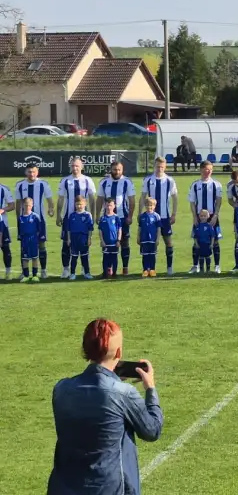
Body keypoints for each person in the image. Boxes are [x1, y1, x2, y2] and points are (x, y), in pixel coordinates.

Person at [47, 319, 161, 495]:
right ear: (118, 352)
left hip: (63, 488)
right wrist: (150, 388)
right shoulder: (123, 393)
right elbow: (152, 430)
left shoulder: (61, 388)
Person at [57, 158, 96, 279]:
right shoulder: (65, 180)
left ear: (81, 167)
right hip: (69, 217)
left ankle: (85, 269)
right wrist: (59, 214)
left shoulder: (87, 180)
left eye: (77, 166)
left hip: (83, 218)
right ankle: (66, 269)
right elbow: (61, 199)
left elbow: (92, 199)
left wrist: (93, 215)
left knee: (84, 244)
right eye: (73, 166)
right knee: (66, 243)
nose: (75, 168)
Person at [14, 164, 54, 279]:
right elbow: (18, 203)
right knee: (24, 245)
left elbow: (50, 200)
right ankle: (24, 272)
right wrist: (18, 218)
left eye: (33, 172)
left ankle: (43, 270)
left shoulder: (43, 184)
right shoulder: (20, 185)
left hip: (39, 220)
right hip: (24, 221)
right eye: (29, 172)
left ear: (37, 172)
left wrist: (51, 209)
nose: (31, 174)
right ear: (25, 172)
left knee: (41, 245)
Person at [141, 157, 179, 275]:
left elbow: (175, 198)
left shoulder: (169, 180)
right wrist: (139, 213)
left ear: (165, 167)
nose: (160, 169)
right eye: (158, 166)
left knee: (168, 242)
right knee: (150, 243)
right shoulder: (148, 180)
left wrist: (173, 214)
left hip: (165, 217)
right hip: (150, 218)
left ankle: (169, 268)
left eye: (162, 167)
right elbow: (142, 197)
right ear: (154, 166)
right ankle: (150, 269)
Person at [98, 161, 136, 276]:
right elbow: (99, 199)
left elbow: (132, 200)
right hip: (107, 218)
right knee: (108, 244)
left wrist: (130, 216)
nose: (117, 172)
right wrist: (96, 215)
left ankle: (125, 268)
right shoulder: (104, 182)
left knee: (124, 243)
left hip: (122, 217)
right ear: (111, 169)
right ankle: (108, 269)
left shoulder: (127, 182)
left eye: (119, 169)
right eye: (115, 169)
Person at [187, 161, 223, 274]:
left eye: (210, 169)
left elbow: (219, 201)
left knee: (215, 241)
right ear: (201, 170)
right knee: (197, 240)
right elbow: (192, 202)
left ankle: (217, 266)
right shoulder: (195, 185)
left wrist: (215, 216)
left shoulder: (216, 184)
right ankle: (195, 265)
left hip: (212, 216)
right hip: (199, 217)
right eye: (206, 169)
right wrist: (194, 217)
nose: (208, 172)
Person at [64, 194, 94, 280]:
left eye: (81, 204)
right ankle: (72, 273)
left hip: (84, 238)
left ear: (85, 204)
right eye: (77, 204)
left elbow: (90, 229)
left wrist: (89, 239)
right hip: (74, 239)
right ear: (75, 205)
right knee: (74, 257)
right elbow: (69, 229)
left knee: (84, 257)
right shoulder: (72, 215)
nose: (79, 206)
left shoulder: (88, 215)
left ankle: (87, 273)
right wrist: (69, 239)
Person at [18, 198, 42, 282]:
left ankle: (35, 275)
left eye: (29, 205)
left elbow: (39, 229)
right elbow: (20, 229)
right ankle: (26, 275)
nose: (27, 207)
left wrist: (37, 238)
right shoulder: (20, 218)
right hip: (25, 240)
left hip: (33, 239)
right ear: (23, 206)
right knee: (25, 258)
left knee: (35, 257)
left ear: (32, 206)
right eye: (25, 205)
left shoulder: (35, 216)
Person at [138, 197, 161, 277]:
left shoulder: (156, 216)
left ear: (154, 206)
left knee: (152, 255)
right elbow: (140, 228)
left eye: (151, 205)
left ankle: (152, 269)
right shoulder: (142, 216)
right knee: (145, 255)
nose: (149, 207)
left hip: (152, 239)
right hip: (144, 239)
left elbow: (158, 229)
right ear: (145, 205)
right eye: (147, 205)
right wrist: (138, 237)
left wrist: (157, 239)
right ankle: (145, 270)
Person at [98, 198, 121, 278]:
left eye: (110, 205)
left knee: (114, 258)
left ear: (114, 206)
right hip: (106, 243)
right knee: (105, 258)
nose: (109, 207)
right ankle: (105, 273)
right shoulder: (102, 218)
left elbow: (119, 230)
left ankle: (114, 273)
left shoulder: (116, 217)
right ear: (105, 206)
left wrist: (118, 240)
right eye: (107, 205)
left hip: (114, 242)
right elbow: (100, 231)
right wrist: (102, 241)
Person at [193, 208, 218, 273]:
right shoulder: (198, 226)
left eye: (204, 216)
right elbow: (195, 236)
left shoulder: (209, 226)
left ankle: (208, 269)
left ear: (208, 216)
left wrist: (212, 244)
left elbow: (212, 236)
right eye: (201, 216)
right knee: (201, 256)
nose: (203, 217)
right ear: (199, 216)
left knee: (208, 256)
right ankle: (201, 269)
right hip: (200, 244)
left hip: (207, 244)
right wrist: (196, 244)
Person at [0, 180, 13, 280]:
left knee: (5, 247)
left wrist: (3, 210)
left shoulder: (4, 189)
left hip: (2, 223)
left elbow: (12, 205)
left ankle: (8, 272)